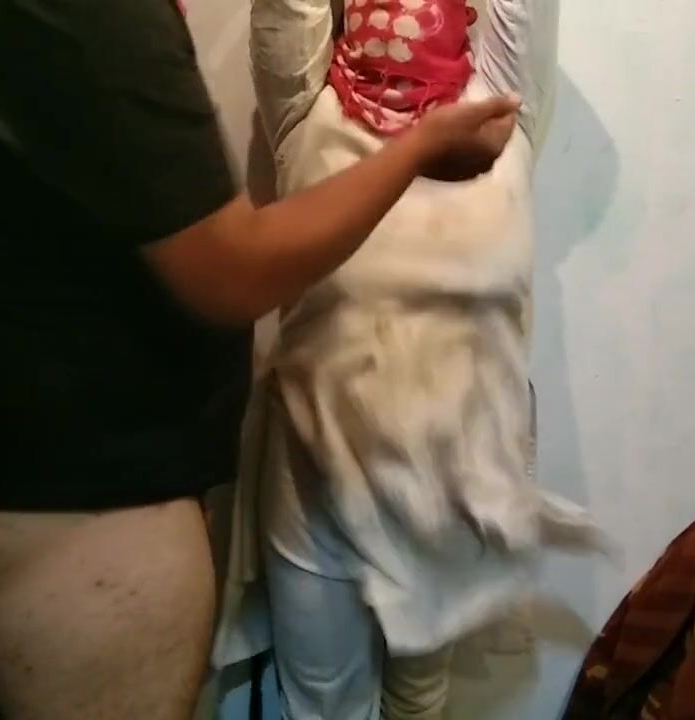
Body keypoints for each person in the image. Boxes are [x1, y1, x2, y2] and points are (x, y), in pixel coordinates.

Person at [0, 0, 520, 716]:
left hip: (8, 462)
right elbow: (233, 273)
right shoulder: (111, 23)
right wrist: (416, 152)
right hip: (76, 496)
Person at [209, 1, 600, 718]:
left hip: (448, 483)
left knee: (419, 702)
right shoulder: (306, 116)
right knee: (322, 705)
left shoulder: (495, 119)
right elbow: (286, 14)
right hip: (315, 485)